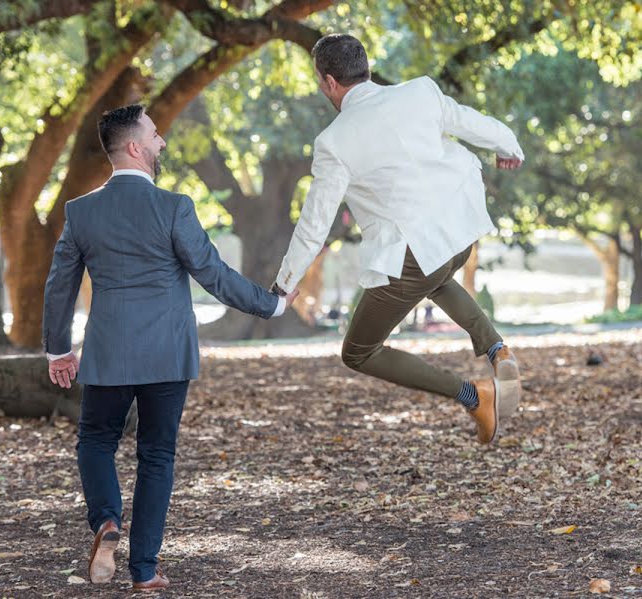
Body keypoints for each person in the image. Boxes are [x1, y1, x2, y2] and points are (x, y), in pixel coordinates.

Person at [42, 104, 298, 589]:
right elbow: (214, 275)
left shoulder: (80, 212)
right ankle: (143, 572)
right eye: (155, 135)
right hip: (168, 353)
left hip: (108, 352)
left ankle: (106, 521)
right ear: (135, 147)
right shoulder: (174, 207)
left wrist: (58, 350)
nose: (162, 143)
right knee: (157, 456)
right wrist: (273, 305)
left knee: (96, 441)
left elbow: (60, 286)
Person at [272, 34, 522, 445]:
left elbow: (315, 222)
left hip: (413, 253)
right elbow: (471, 121)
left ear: (329, 82)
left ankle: (473, 395)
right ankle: (497, 350)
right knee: (436, 279)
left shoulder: (333, 142)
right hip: (458, 232)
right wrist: (509, 146)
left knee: (359, 352)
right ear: (366, 66)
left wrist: (285, 284)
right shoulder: (419, 92)